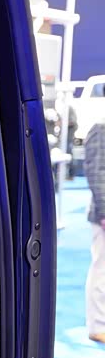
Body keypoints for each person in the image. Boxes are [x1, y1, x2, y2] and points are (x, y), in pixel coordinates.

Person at [84, 122, 105, 342]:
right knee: (102, 269)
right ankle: (97, 325)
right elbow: (96, 174)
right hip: (103, 216)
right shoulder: (100, 128)